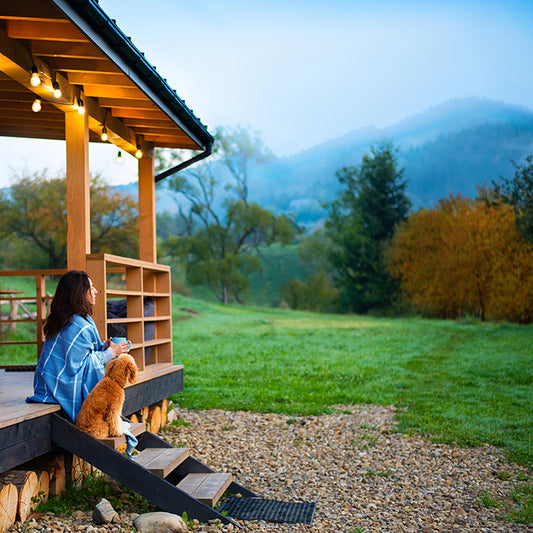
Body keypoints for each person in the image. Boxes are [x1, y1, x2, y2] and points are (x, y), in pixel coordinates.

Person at [26, 270, 131, 422]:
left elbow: (79, 355)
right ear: (80, 293)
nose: (96, 291)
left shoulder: (67, 318)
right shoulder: (79, 325)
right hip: (56, 388)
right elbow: (80, 366)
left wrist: (105, 347)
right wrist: (110, 353)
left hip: (45, 384)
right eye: (91, 288)